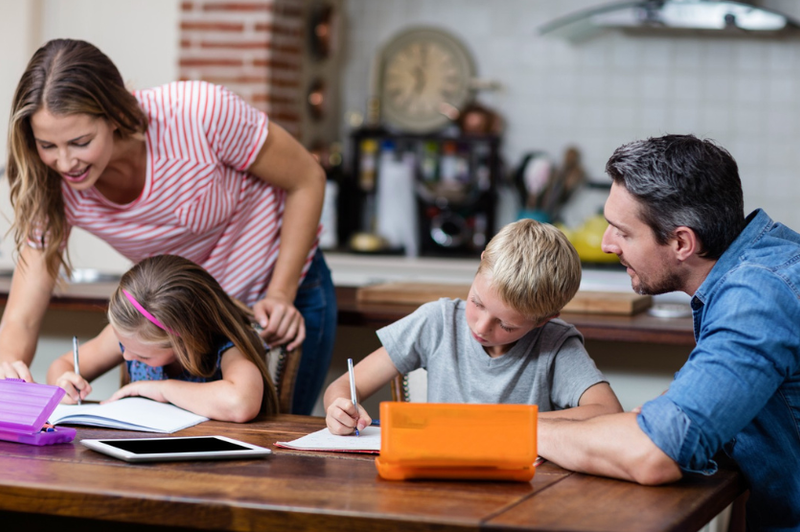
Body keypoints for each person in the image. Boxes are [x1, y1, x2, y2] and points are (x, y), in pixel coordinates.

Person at [0, 38, 336, 415]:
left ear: (114, 114)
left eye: (80, 142)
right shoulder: (52, 184)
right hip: (170, 323)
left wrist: (280, 293)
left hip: (271, 301)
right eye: (47, 145)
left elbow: (307, 178)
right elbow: (23, 316)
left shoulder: (199, 114)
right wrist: (8, 376)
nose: (65, 163)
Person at [537, 134, 800, 532]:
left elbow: (655, 452)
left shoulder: (757, 296)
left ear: (681, 242)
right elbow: (665, 419)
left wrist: (513, 429)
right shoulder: (764, 259)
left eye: (622, 232)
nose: (607, 244)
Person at [324, 218, 623, 435]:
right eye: (477, 303)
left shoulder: (555, 344)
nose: (481, 327)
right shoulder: (437, 322)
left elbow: (607, 412)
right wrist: (339, 408)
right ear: (480, 265)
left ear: (545, 320)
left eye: (505, 325)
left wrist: (503, 423)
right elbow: (344, 386)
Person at [47, 254, 279, 421]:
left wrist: (162, 389)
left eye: (141, 355)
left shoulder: (227, 348)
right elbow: (61, 365)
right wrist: (64, 382)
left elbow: (240, 403)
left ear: (185, 342)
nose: (126, 355)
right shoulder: (130, 335)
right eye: (123, 346)